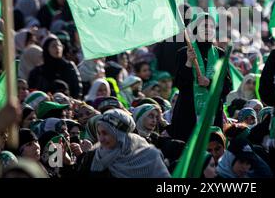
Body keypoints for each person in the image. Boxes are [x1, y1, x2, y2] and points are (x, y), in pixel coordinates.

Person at [169, 13, 232, 142]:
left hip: (212, 114)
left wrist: (209, 83)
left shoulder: (220, 54)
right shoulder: (184, 53)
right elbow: (179, 84)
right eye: (204, 26)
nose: (208, 29)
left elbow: (227, 86)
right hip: (188, 115)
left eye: (211, 26)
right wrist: (188, 63)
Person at [78, 108, 170, 178]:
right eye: (99, 133)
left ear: (120, 134)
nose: (101, 139)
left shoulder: (148, 155)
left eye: (106, 133)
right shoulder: (93, 156)